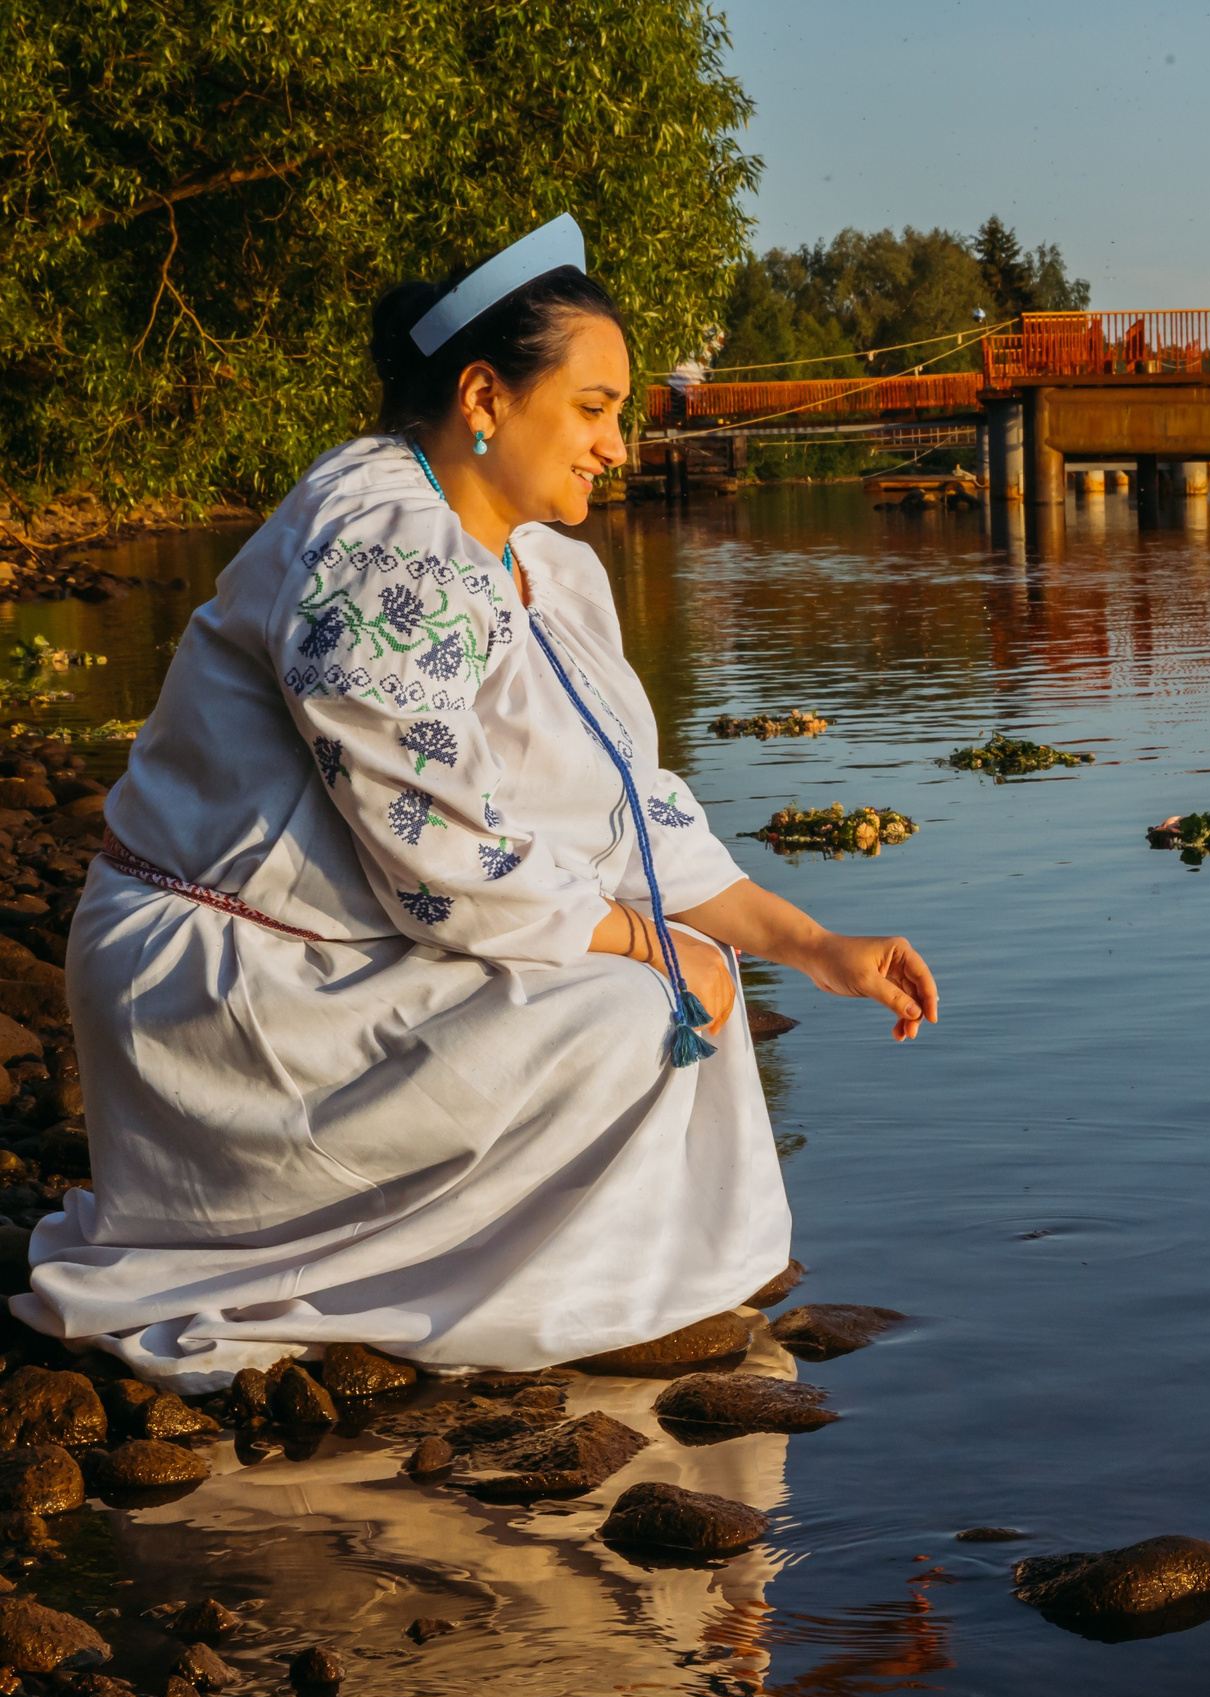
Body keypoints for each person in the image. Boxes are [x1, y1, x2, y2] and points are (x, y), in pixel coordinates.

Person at [14, 215, 937, 1392]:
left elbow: (623, 808)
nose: (618, 444)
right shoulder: (382, 543)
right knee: (634, 1003)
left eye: (620, 414)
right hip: (226, 980)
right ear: (485, 396)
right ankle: (417, 1283)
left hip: (348, 945)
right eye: (595, 407)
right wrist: (645, 939)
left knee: (671, 989)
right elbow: (433, 843)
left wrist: (811, 945)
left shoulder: (550, 567)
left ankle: (602, 1282)